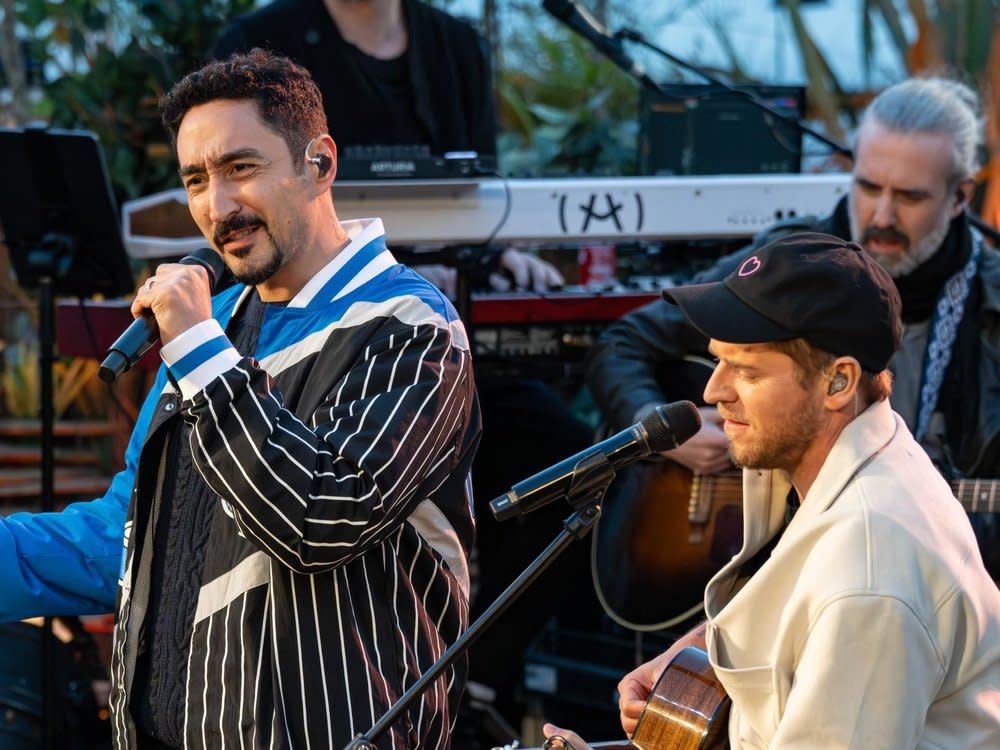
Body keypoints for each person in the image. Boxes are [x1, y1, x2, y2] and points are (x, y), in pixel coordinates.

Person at [0, 50, 480, 749]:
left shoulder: (410, 326)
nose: (216, 207)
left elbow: (317, 520)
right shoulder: (213, 328)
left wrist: (195, 346)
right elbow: (125, 542)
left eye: (240, 168)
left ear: (319, 162)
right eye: (196, 179)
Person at [213, 1, 602, 740]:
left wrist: (492, 259)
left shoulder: (452, 43)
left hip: (448, 319)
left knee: (565, 463)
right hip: (329, 326)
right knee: (345, 493)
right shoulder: (262, 41)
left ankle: (477, 675)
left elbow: (471, 196)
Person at [548, 232, 1000, 748]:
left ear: (838, 382)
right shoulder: (857, 458)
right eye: (716, 361)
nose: (713, 393)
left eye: (745, 370)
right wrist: (704, 650)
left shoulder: (870, 575)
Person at [586, 76, 1000, 572]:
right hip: (771, 566)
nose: (882, 215)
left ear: (960, 198)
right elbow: (623, 343)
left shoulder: (989, 301)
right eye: (868, 187)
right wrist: (660, 428)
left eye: (910, 197)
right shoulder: (787, 261)